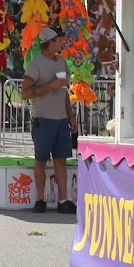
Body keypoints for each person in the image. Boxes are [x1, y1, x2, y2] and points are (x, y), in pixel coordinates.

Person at [22, 27, 78, 214]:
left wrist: (71, 117)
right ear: (50, 42)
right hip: (42, 120)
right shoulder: (36, 64)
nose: (62, 42)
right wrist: (49, 86)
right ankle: (40, 200)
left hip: (61, 120)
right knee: (41, 160)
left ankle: (63, 200)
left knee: (61, 161)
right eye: (59, 40)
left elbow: (64, 94)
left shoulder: (62, 62)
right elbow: (25, 93)